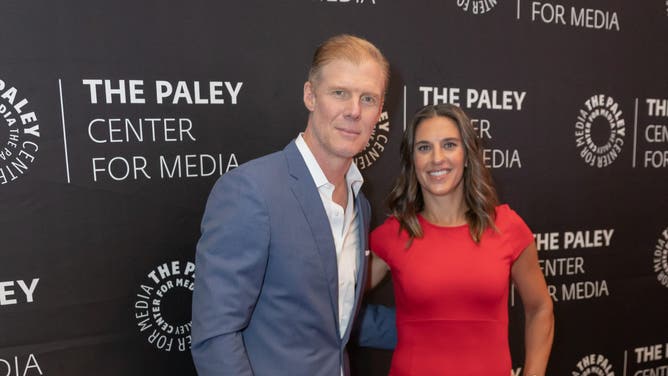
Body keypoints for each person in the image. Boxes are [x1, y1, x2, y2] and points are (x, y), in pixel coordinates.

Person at [191, 34, 396, 376]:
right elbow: (215, 336)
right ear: (310, 96)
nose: (354, 111)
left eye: (368, 98)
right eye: (340, 93)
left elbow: (333, 321)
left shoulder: (361, 203)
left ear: (379, 111)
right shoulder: (252, 190)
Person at [369, 104, 554, 375]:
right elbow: (333, 304)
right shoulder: (393, 235)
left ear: (467, 155)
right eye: (423, 148)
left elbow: (540, 308)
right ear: (412, 161)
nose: (436, 158)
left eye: (449, 145)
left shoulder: (507, 227)